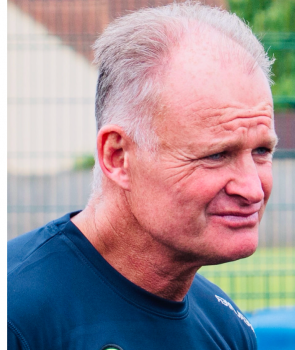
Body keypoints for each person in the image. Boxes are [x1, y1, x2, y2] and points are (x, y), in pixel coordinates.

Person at [8, 2, 276, 349]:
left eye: (261, 151)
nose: (252, 189)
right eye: (216, 155)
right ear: (118, 156)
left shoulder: (227, 329)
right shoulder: (16, 315)